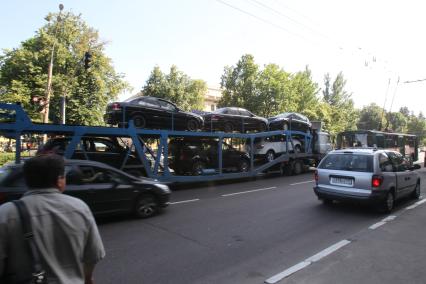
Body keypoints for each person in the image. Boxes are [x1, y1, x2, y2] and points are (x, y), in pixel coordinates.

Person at [0, 154, 105, 284]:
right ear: (59, 180)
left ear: (27, 181)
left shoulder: (6, 213)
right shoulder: (80, 208)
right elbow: (93, 255)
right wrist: (87, 278)